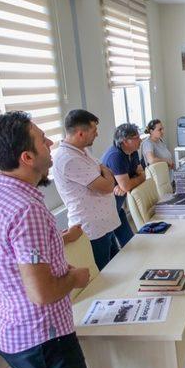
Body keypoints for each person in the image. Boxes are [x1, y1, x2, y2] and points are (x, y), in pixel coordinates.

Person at [0, 111, 99, 368]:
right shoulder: (27, 209)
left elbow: (9, 252)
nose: (50, 142)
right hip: (42, 337)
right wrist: (76, 278)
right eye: (42, 139)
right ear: (27, 157)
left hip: (5, 332)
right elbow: (43, 293)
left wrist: (58, 240)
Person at [53, 109, 122, 271]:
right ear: (80, 133)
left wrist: (103, 171)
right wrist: (104, 172)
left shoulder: (82, 151)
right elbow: (107, 186)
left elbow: (105, 171)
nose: (97, 134)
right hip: (92, 229)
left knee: (117, 268)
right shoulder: (68, 159)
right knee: (103, 277)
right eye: (94, 131)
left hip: (104, 225)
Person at [102, 123, 146, 247]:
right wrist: (131, 182)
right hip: (106, 210)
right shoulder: (116, 156)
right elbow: (127, 185)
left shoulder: (133, 152)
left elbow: (143, 174)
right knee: (111, 249)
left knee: (129, 242)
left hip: (116, 206)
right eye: (137, 137)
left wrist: (129, 182)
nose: (141, 140)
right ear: (125, 141)